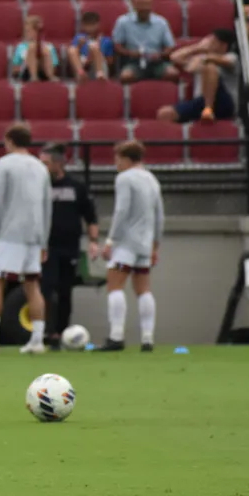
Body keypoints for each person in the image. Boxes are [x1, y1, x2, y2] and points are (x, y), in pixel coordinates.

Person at [0, 123, 52, 354]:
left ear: (10, 141)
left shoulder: (3, 164)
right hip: (34, 235)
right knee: (32, 285)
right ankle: (37, 340)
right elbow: (47, 207)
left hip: (9, 233)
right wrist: (43, 240)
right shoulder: (41, 167)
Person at [99, 140, 164, 352]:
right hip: (145, 243)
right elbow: (159, 216)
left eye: (117, 159)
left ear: (126, 159)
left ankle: (116, 336)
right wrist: (155, 245)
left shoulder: (124, 179)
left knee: (115, 285)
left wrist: (110, 241)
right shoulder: (152, 179)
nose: (115, 163)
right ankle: (147, 338)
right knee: (143, 288)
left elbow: (121, 211)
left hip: (126, 242)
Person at [40, 143, 97, 348]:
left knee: (65, 291)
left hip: (69, 246)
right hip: (47, 247)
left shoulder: (76, 187)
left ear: (58, 163)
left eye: (45, 163)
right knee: (46, 288)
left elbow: (91, 217)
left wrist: (93, 242)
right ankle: (47, 332)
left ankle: (63, 331)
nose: (42, 166)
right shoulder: (40, 186)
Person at [158, 28, 238, 125]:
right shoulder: (200, 58)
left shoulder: (231, 57)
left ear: (223, 46)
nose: (208, 43)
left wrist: (203, 59)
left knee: (210, 67)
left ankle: (208, 109)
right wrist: (198, 48)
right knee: (165, 114)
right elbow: (174, 57)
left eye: (212, 41)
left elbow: (225, 62)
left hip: (224, 102)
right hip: (200, 101)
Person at [112, 0, 178, 83]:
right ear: (134, 5)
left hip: (157, 62)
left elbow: (170, 46)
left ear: (151, 5)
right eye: (141, 9)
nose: (144, 11)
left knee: (172, 74)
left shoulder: (161, 22)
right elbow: (117, 46)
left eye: (146, 8)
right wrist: (130, 53)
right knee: (126, 76)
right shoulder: (123, 22)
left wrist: (160, 54)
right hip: (134, 62)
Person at [67, 11, 114, 80]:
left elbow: (110, 61)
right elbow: (73, 55)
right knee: (72, 50)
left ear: (98, 24)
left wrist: (95, 56)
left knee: (93, 47)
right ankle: (81, 73)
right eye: (87, 25)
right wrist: (79, 46)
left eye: (93, 24)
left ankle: (99, 74)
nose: (90, 27)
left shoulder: (106, 40)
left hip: (99, 64)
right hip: (83, 65)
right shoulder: (78, 38)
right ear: (83, 25)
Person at [11, 15, 59, 82]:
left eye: (28, 31)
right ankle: (34, 77)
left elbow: (54, 68)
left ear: (37, 32)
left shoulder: (49, 46)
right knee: (32, 47)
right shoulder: (21, 47)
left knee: (44, 50)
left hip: (44, 73)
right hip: (26, 74)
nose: (25, 34)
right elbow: (14, 70)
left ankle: (50, 77)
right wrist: (28, 62)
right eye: (25, 31)